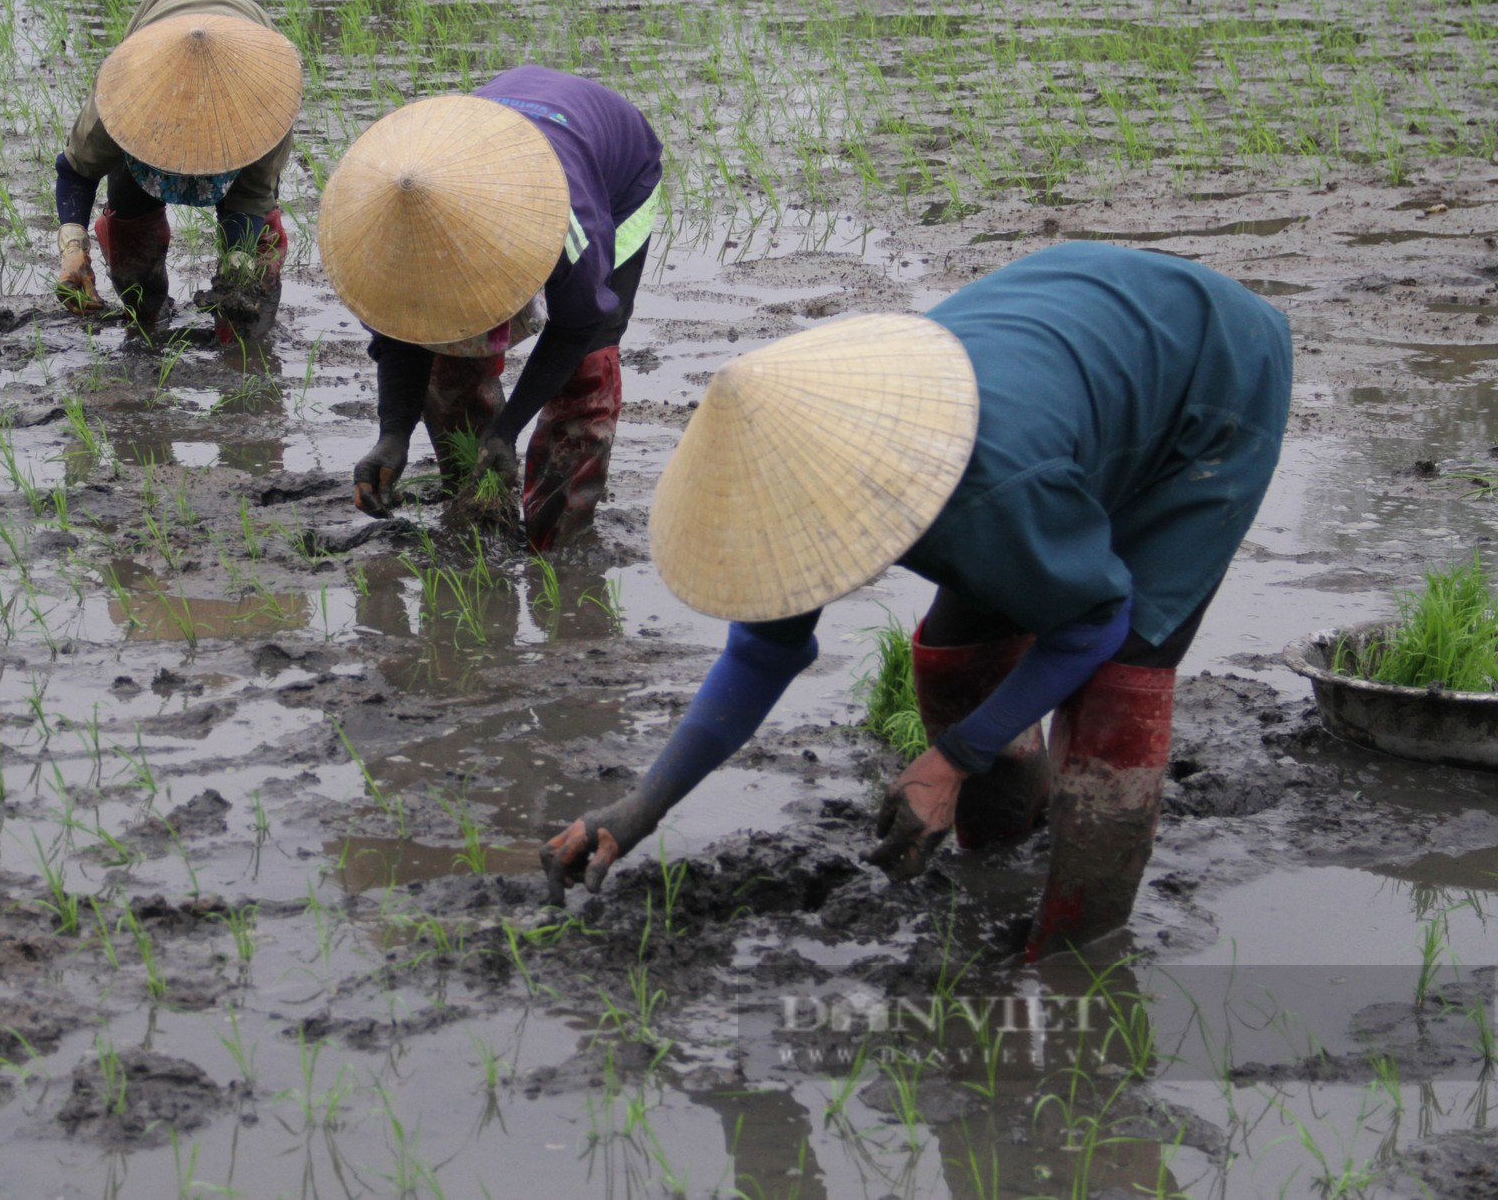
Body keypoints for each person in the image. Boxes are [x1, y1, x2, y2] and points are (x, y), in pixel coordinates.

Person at [541, 242, 1293, 960]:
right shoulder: (796, 480)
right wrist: (643, 806)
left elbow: (1097, 620)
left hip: (1210, 373)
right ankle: (1002, 859)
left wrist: (953, 758)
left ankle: (1078, 955)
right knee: (957, 662)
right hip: (1069, 354)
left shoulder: (990, 488)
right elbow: (764, 651)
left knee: (1117, 690)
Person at [317, 67, 663, 550]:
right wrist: (392, 435)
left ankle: (560, 533)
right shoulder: (382, 236)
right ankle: (478, 513)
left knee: (587, 366)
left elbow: (577, 325)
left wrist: (507, 430)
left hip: (615, 173)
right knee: (448, 355)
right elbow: (401, 332)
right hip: (479, 149)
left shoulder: (568, 220)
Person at [52, 0, 301, 342]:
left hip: (246, 56)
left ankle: (241, 339)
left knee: (250, 270)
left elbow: (251, 200)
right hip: (158, 37)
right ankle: (146, 313)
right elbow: (76, 171)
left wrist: (237, 271)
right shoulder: (121, 102)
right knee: (130, 222)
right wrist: (73, 248)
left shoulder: (263, 111)